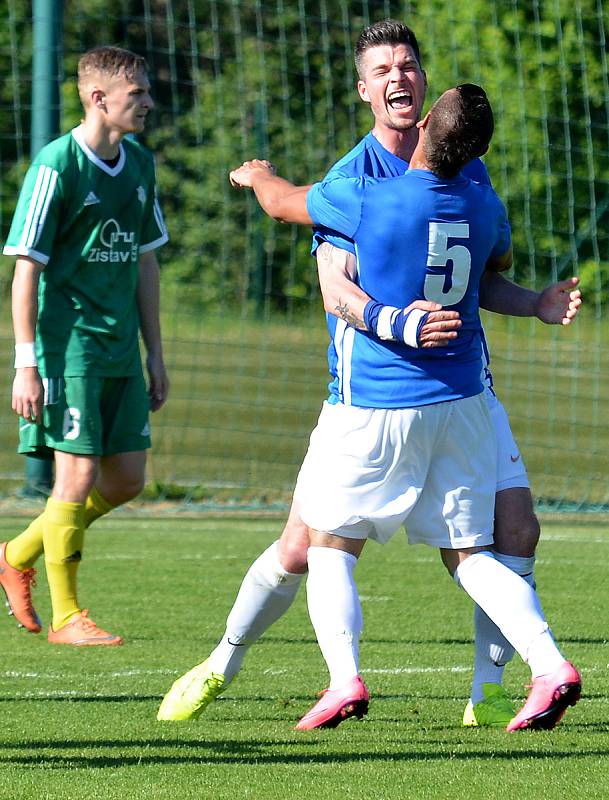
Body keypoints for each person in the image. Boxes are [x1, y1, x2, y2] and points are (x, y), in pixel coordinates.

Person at [157, 21, 580, 726]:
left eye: (409, 65)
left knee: (515, 531)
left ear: (423, 83)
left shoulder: (467, 175)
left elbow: (479, 282)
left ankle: (488, 691)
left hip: (458, 389)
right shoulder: (352, 180)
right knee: (302, 547)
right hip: (373, 391)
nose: (398, 76)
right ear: (363, 91)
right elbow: (337, 291)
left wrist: (532, 304)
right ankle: (219, 664)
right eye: (382, 67)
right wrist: (397, 322)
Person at [286, 82, 580, 732]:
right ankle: (548, 663)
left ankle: (343, 680)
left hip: (379, 401)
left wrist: (257, 178)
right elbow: (485, 276)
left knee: (329, 542)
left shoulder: (366, 195)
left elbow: (287, 206)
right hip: (461, 403)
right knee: (473, 555)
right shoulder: (483, 205)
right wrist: (534, 302)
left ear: (422, 128)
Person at [0, 46, 169, 646]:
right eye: (137, 94)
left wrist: (155, 352)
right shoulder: (57, 166)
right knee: (75, 477)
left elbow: (147, 263)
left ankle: (17, 552)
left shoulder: (141, 164)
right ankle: (68, 617)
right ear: (99, 98)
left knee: (126, 481)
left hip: (121, 348)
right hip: (69, 349)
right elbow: (26, 270)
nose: (148, 102)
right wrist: (26, 364)